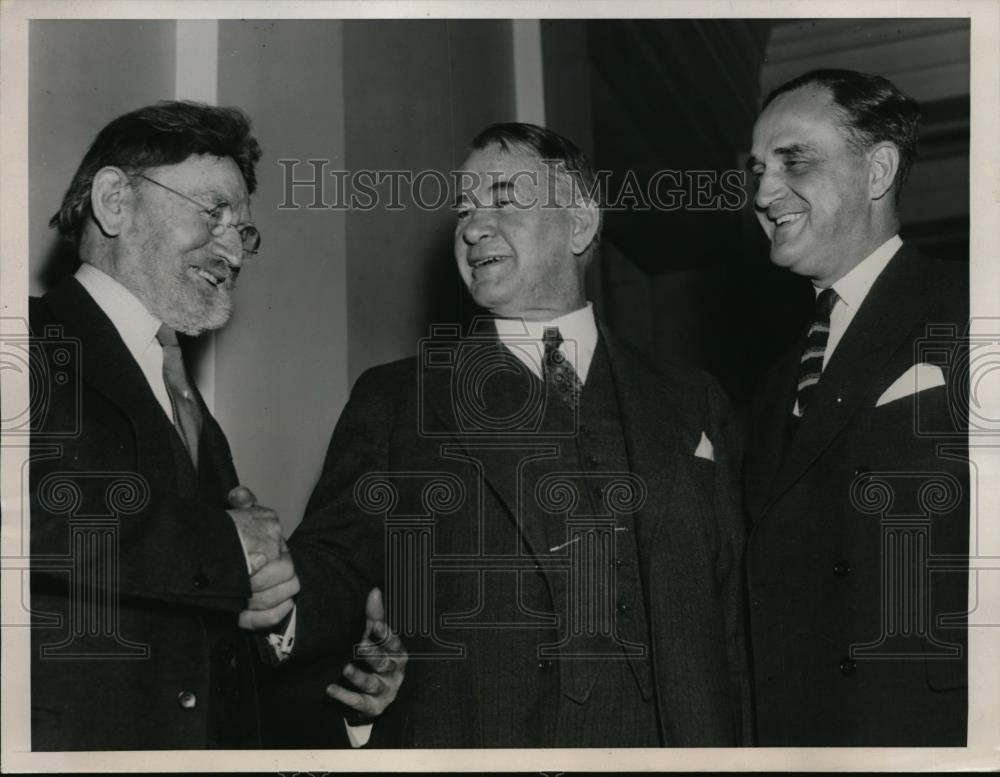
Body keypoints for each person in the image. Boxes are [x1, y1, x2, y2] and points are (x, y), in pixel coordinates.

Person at [290, 122, 752, 747]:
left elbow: (736, 627)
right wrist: (301, 631)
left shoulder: (695, 402)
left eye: (504, 200)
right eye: (464, 210)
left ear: (581, 224)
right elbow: (325, 583)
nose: (473, 227)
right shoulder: (399, 400)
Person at [29, 100, 401, 750]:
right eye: (213, 213)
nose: (234, 249)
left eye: (244, 231)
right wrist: (227, 549)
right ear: (114, 201)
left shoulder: (189, 406)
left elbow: (200, 657)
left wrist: (330, 684)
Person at [744, 69, 969, 746]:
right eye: (756, 170)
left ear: (878, 171)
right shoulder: (766, 389)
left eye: (795, 161)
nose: (763, 192)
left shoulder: (973, 308)